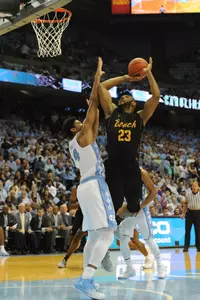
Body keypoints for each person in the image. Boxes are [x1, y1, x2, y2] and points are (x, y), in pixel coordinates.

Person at [63, 57, 117, 300]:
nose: (81, 122)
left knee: (94, 236)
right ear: (75, 129)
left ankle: (88, 281)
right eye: (78, 122)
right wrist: (97, 76)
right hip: (94, 184)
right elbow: (93, 106)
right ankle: (86, 280)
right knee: (107, 233)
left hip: (86, 186)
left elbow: (93, 118)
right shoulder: (81, 136)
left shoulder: (78, 142)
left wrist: (93, 106)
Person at [98, 57, 160, 217]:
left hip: (131, 166)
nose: (126, 97)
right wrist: (126, 78)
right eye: (123, 97)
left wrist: (149, 73)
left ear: (134, 104)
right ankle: (109, 230)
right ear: (119, 103)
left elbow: (155, 96)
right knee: (115, 203)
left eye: (129, 97)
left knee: (134, 205)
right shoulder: (112, 112)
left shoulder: (140, 117)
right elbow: (102, 87)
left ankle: (127, 230)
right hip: (113, 165)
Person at [116, 168, 166, 279]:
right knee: (123, 240)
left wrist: (142, 206)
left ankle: (160, 266)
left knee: (148, 238)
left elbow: (154, 192)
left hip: (140, 210)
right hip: (126, 209)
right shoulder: (119, 170)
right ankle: (129, 269)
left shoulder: (141, 172)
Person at [57, 206, 112, 272]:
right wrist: (74, 231)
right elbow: (78, 214)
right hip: (86, 219)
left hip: (99, 218)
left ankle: (103, 257)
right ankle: (65, 259)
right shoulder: (82, 204)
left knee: (101, 238)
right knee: (76, 237)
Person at [181, 181, 200, 252]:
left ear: (198, 187)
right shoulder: (188, 194)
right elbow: (185, 204)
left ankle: (198, 246)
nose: (194, 187)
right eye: (193, 186)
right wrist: (183, 213)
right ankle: (186, 247)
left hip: (198, 213)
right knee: (187, 231)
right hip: (190, 213)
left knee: (198, 231)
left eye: (195, 186)